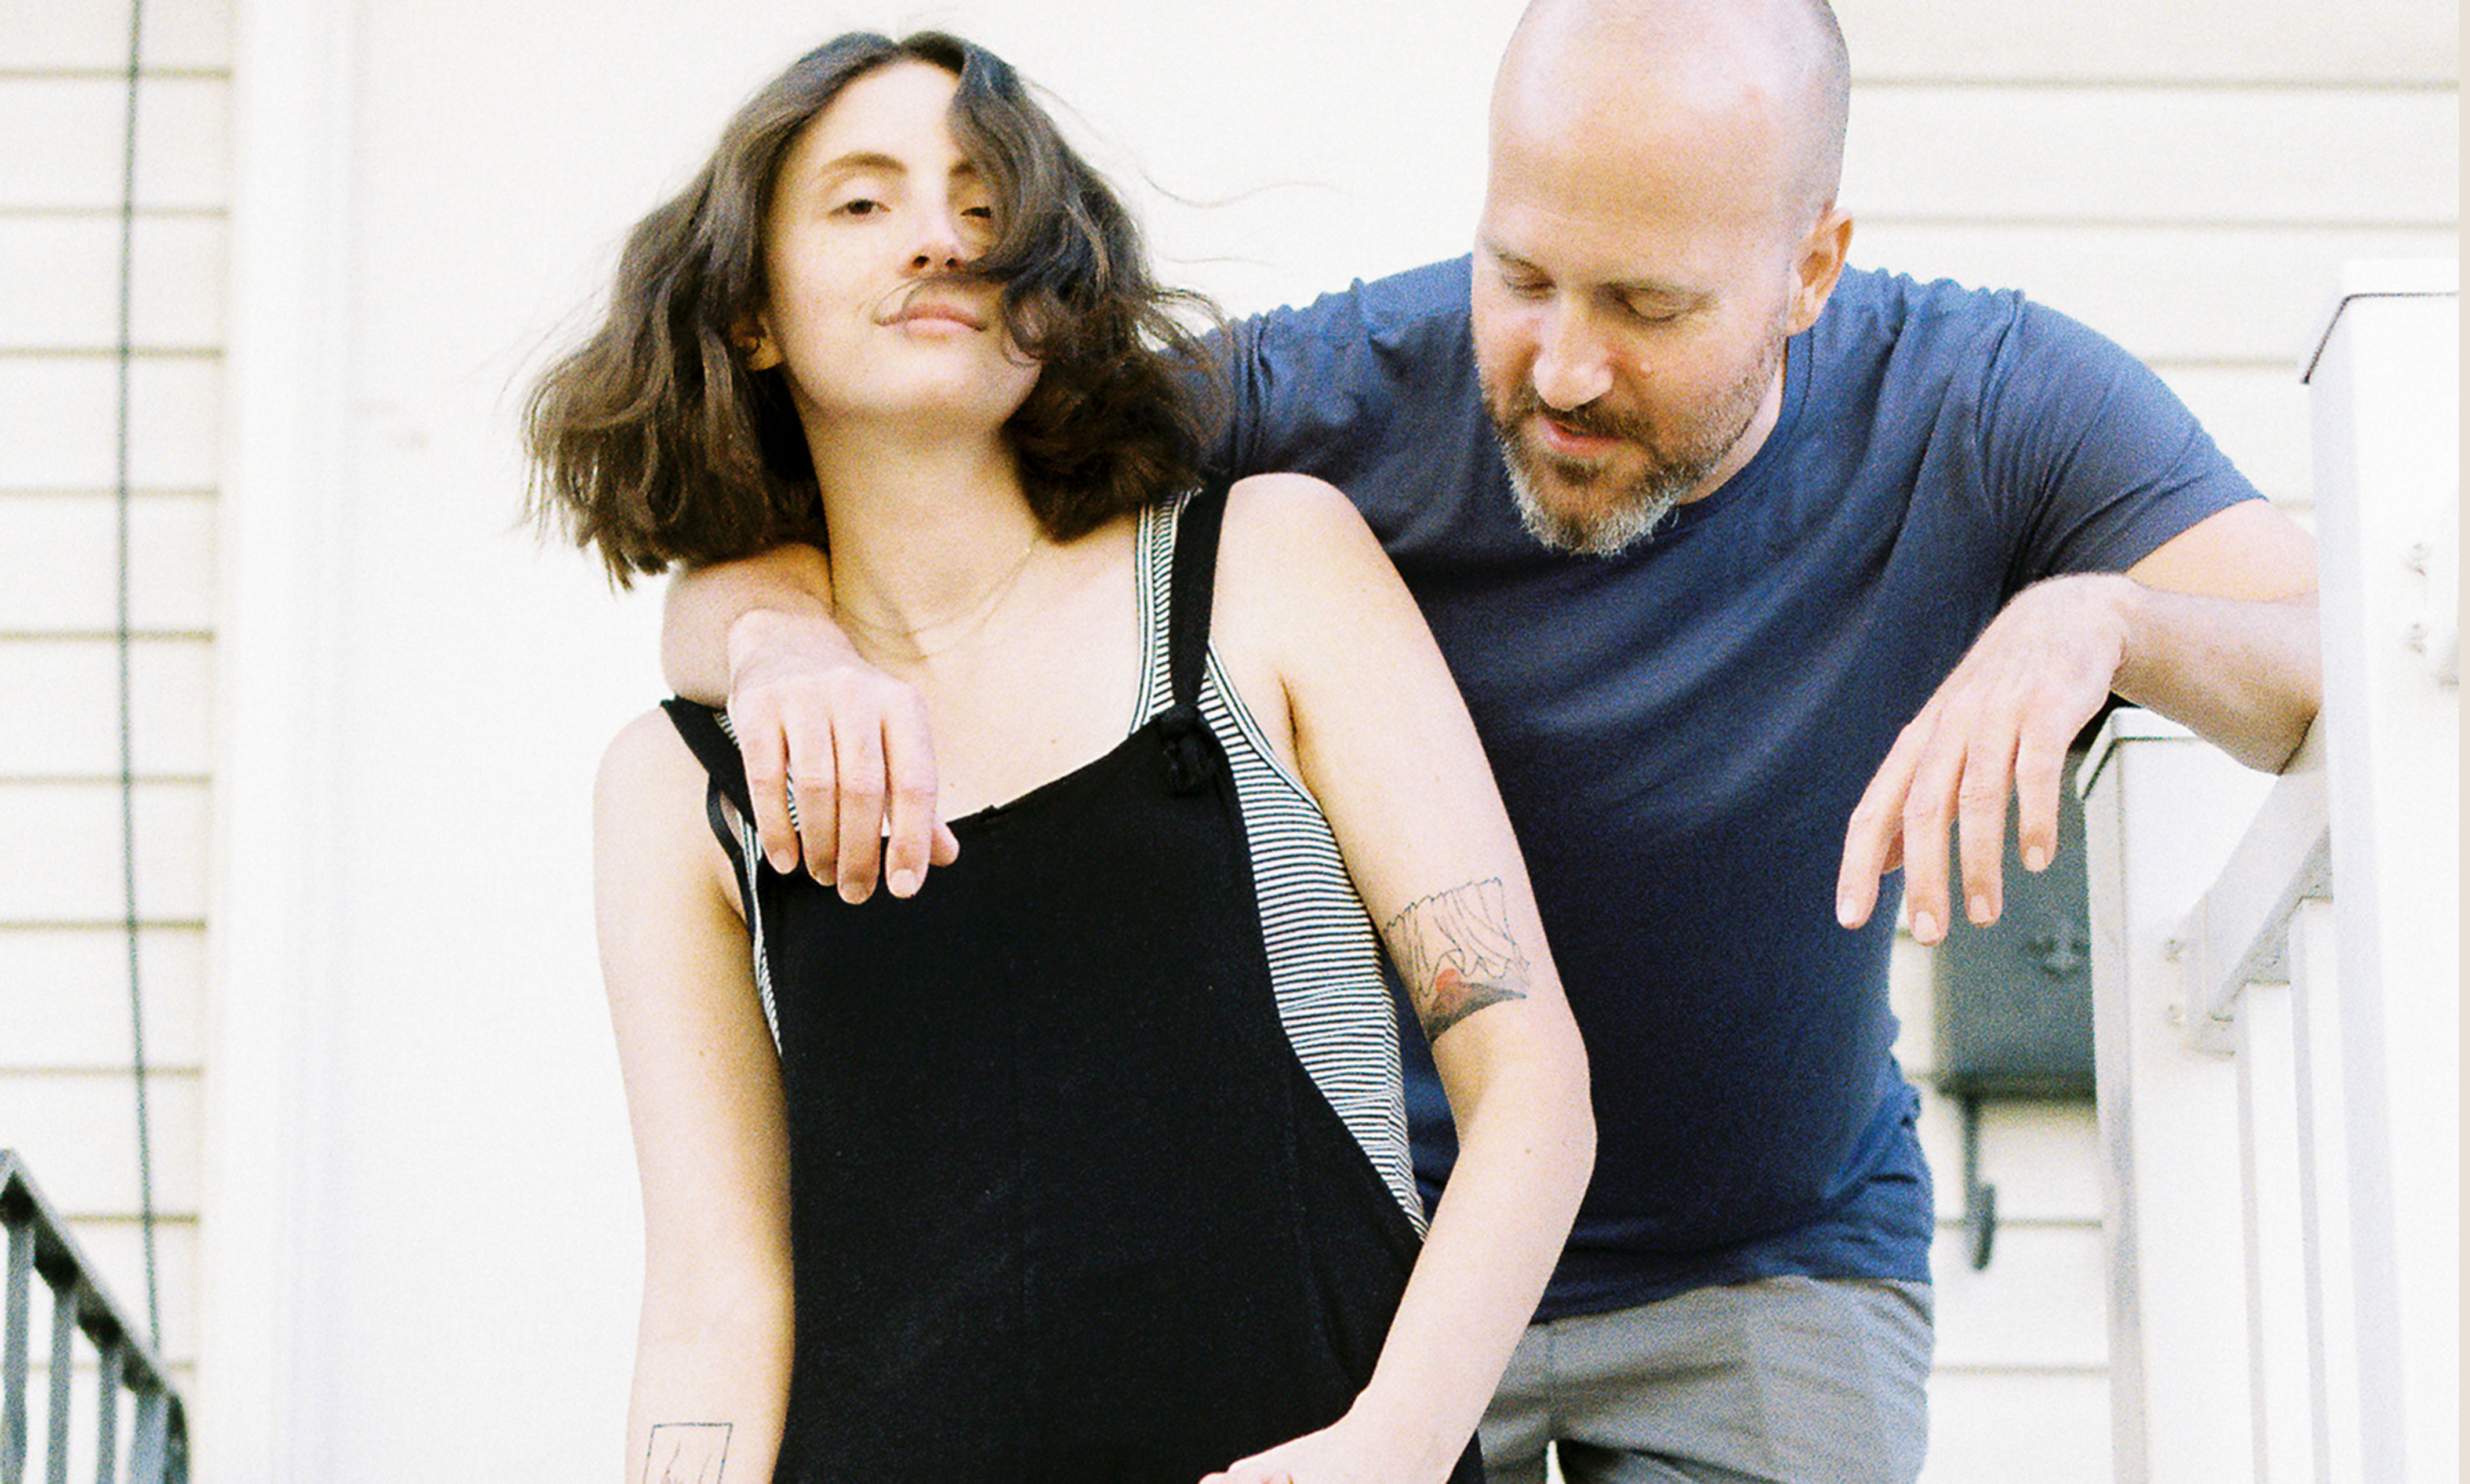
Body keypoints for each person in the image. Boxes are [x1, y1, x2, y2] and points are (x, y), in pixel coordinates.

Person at [658, 2, 2322, 1479]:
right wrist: (780, 644)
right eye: (1519, 276)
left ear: (1808, 265)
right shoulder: (1332, 391)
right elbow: (904, 484)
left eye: (1648, 306)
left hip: (1766, 1263)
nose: (1564, 363)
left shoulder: (1987, 403)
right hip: (1399, 1257)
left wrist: (2101, 621)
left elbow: (2334, 664)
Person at [528, 29, 1593, 1484]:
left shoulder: (1263, 574)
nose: (938, 236)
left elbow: (1530, 1082)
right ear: (752, 313)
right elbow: (718, 1299)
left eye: (985, 200)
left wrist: (1391, 1448)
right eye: (861, 201)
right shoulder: (676, 791)